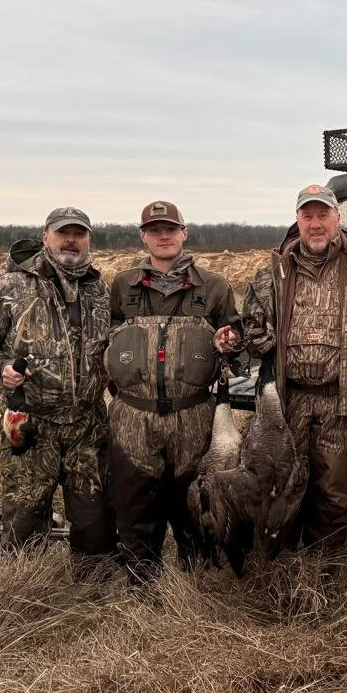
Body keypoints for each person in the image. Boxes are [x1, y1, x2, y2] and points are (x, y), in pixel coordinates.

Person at [236, 183, 347, 546]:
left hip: (343, 402)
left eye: (323, 215)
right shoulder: (273, 274)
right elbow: (250, 327)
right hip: (288, 402)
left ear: (338, 217)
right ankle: (283, 565)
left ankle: (325, 570)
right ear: (297, 221)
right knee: (282, 485)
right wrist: (257, 338)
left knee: (334, 492)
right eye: (307, 215)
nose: (315, 224)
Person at [0, 207, 114, 573]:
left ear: (89, 240)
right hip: (31, 423)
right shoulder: (10, 286)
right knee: (25, 519)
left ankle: (93, 594)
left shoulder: (100, 289)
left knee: (94, 519)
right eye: (64, 233)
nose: (71, 241)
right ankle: (24, 592)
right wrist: (1, 368)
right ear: (46, 236)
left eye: (79, 234)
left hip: (87, 426)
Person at [105, 200, 241, 582]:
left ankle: (196, 584)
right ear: (143, 236)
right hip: (132, 416)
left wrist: (231, 341)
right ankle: (142, 588)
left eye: (170, 229)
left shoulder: (214, 287)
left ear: (184, 233)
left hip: (194, 415)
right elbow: (105, 343)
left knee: (194, 505)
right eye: (154, 230)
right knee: (134, 508)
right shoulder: (122, 286)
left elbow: (239, 341)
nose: (163, 236)